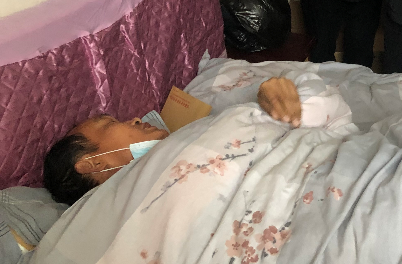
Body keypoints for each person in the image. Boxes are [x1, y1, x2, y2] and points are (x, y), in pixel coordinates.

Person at [43, 77, 305, 205]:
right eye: (111, 124)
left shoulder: (186, 141)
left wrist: (267, 93)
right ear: (92, 163)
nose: (135, 119)